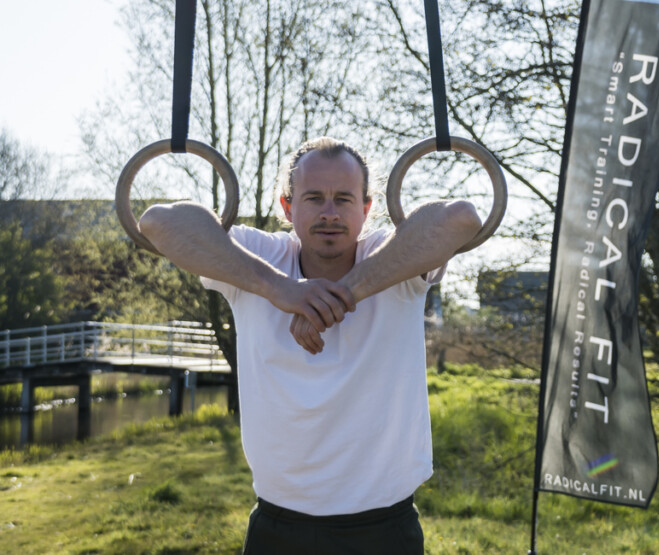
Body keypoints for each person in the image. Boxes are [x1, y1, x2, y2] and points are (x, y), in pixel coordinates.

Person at [138, 137, 482, 554]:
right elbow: (159, 221)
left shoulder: (397, 259)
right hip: (277, 527)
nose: (330, 213)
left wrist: (342, 294)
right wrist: (279, 288)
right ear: (287, 207)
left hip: (384, 528)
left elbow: (460, 218)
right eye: (314, 197)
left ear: (367, 209)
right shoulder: (257, 258)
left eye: (344, 199)